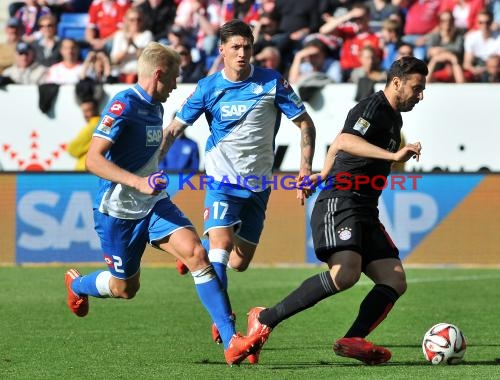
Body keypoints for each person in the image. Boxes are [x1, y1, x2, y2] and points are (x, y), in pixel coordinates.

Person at [64, 41, 262, 366]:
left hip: (154, 204)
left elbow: (146, 154)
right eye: (173, 78)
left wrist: (152, 176)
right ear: (158, 74)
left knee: (198, 254)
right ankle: (79, 284)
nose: (174, 85)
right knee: (125, 288)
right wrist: (139, 182)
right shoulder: (123, 104)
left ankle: (231, 341)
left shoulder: (156, 108)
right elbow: (94, 161)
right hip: (117, 212)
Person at [246, 56, 427, 365]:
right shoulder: (372, 108)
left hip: (364, 207)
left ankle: (353, 339)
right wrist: (392, 154)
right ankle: (265, 318)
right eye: (417, 87)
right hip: (342, 200)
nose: (420, 95)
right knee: (345, 274)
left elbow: (336, 148)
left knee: (394, 279)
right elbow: (344, 140)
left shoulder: (394, 118)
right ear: (397, 82)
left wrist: (321, 174)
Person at [165, 20, 316, 361]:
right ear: (222, 51)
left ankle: (199, 253)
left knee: (239, 261)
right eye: (235, 47)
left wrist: (305, 167)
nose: (242, 53)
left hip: (259, 187)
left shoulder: (271, 82)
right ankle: (227, 325)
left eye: (247, 47)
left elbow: (305, 122)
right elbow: (175, 127)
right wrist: (154, 160)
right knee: (220, 247)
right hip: (221, 182)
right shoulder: (207, 87)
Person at [66, 98, 101, 171]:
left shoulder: (92, 127)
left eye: (88, 110)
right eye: (84, 111)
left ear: (96, 110)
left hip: (85, 169)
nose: (85, 115)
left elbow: (72, 149)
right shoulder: (103, 124)